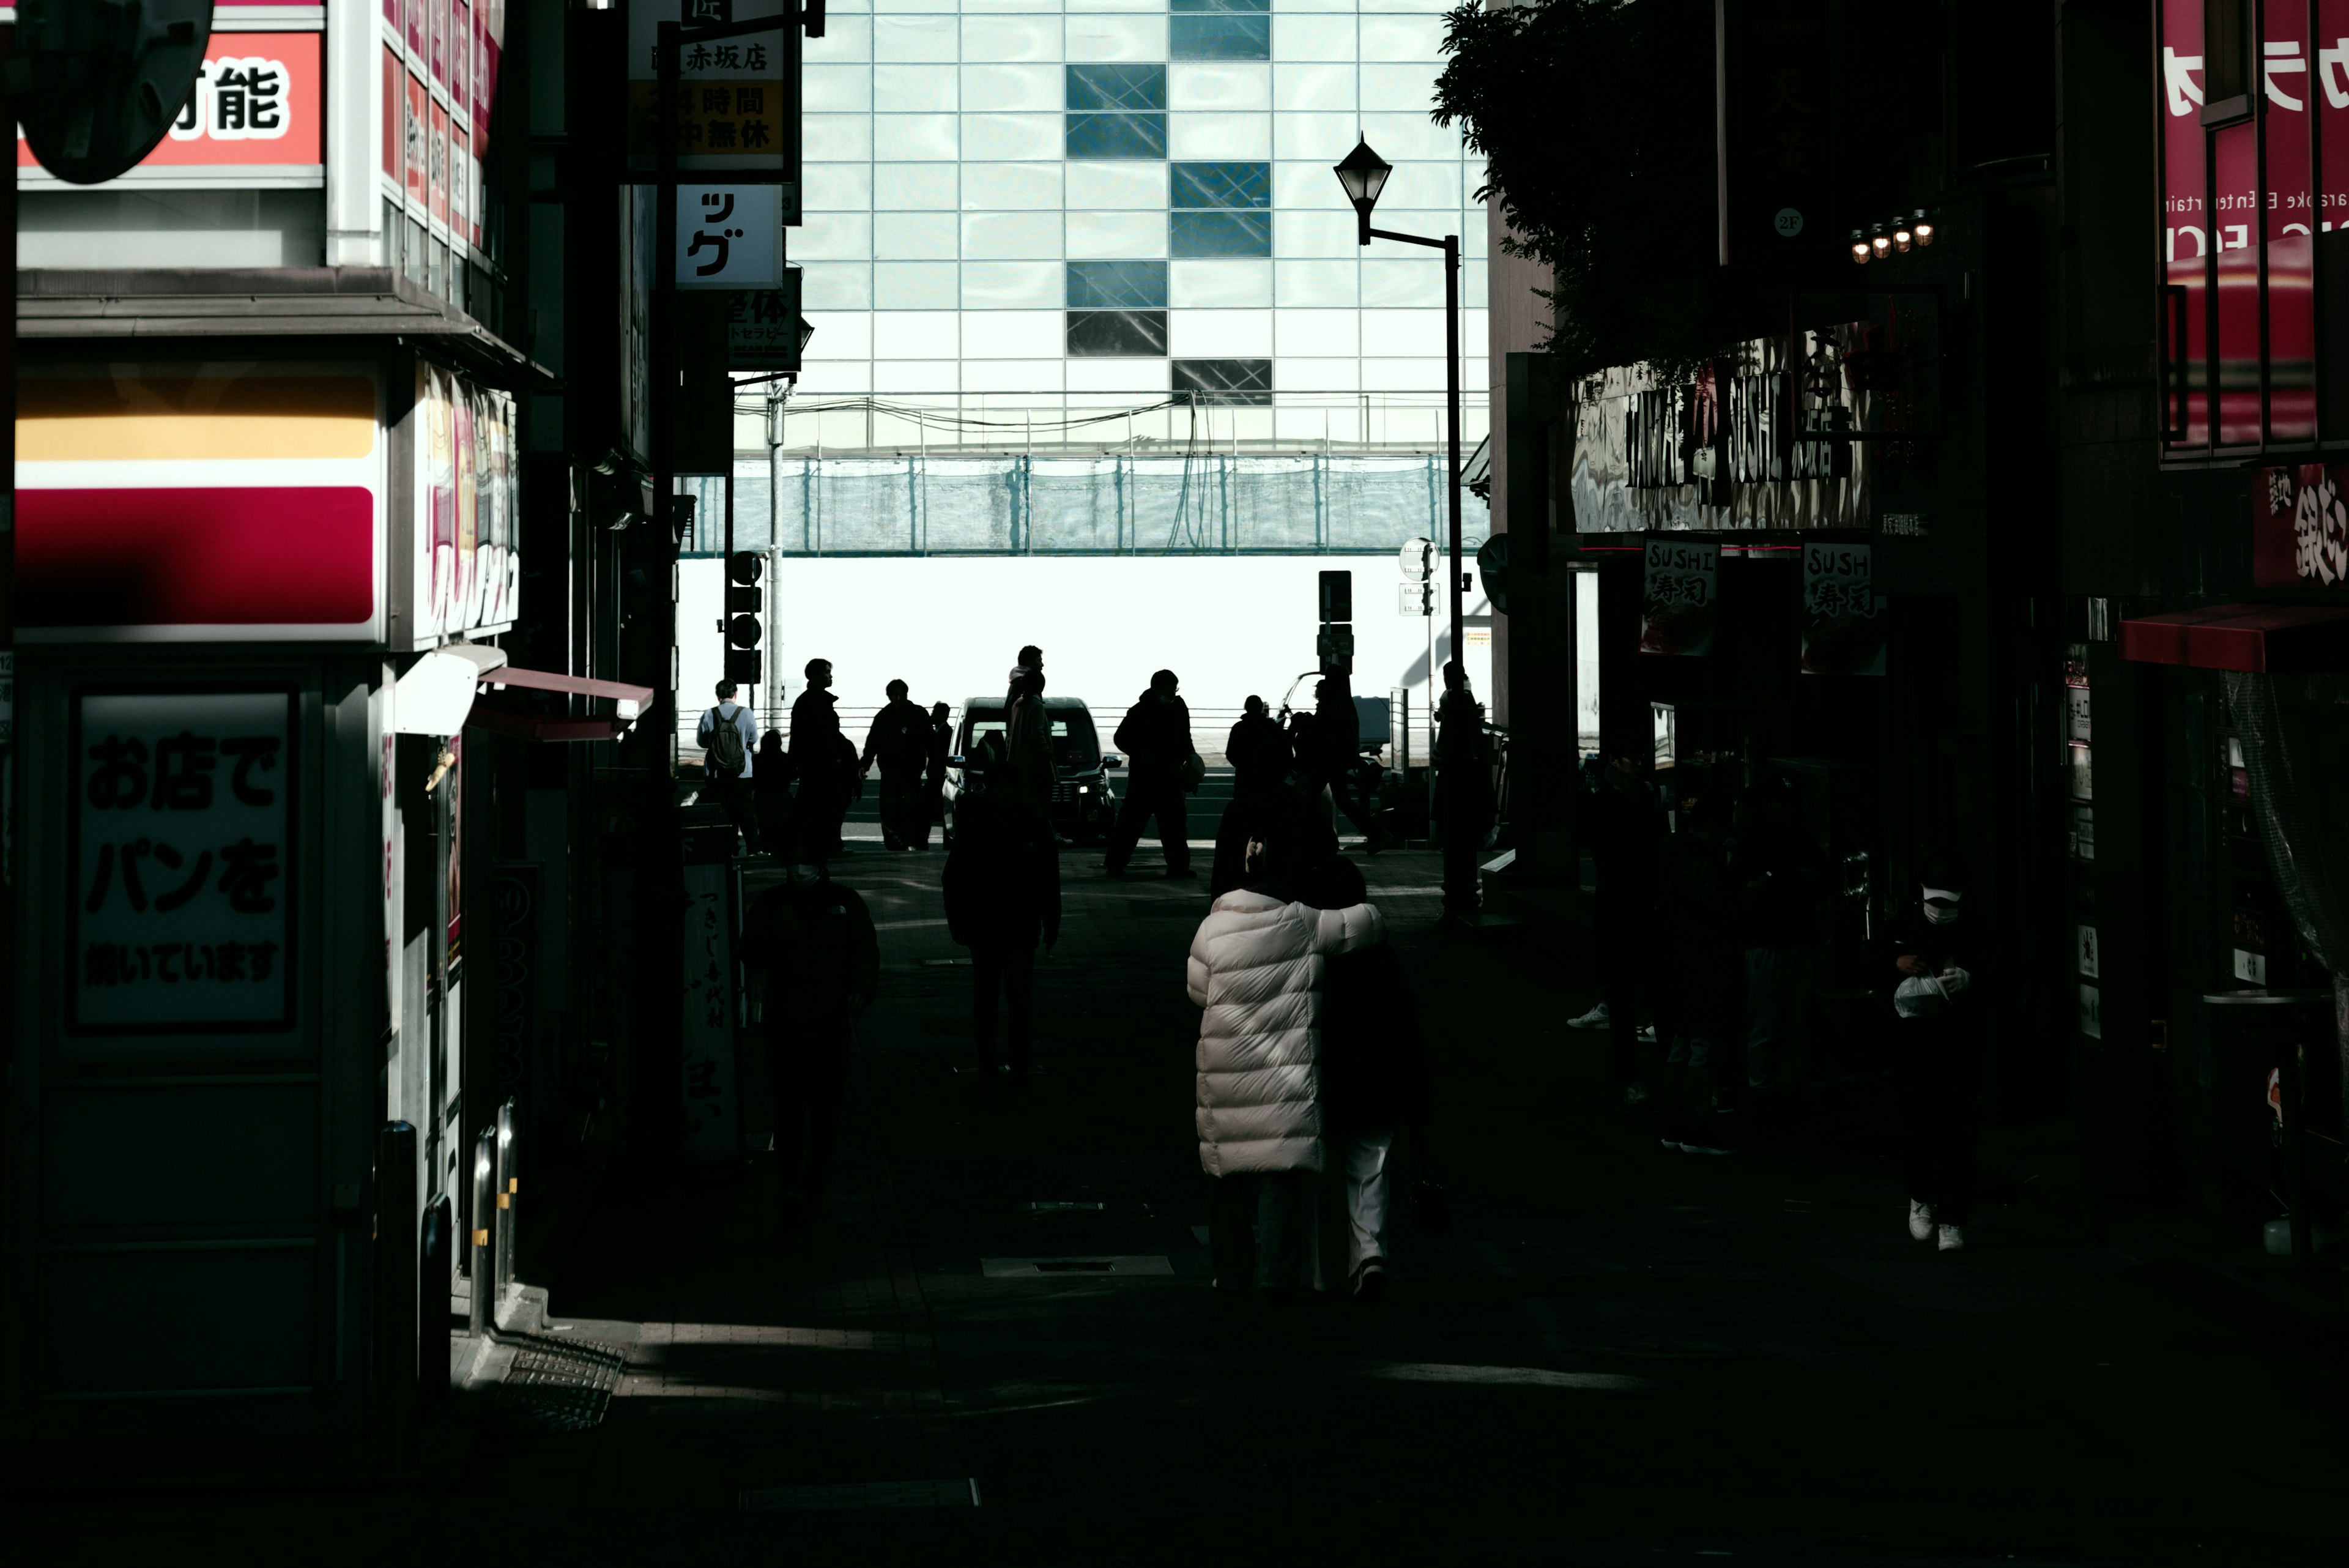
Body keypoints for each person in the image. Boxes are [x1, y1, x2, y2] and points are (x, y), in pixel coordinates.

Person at [1189, 831, 1384, 1299]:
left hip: (1225, 1076)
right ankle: (1277, 1279)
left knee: (1228, 1177)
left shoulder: (1211, 928)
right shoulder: (1303, 922)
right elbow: (1372, 923)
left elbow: (1197, 991)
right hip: (1284, 1078)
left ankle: (1232, 1275)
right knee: (1280, 1177)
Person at [1312, 855, 1430, 1302]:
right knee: (1370, 1167)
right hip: (1379, 1079)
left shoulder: (1313, 955)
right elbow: (1406, 1025)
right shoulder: (1382, 951)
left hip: (1328, 1080)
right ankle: (1370, 1253)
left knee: (1323, 1171)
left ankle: (1325, 1271)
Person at [739, 860, 880, 1227]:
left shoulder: (844, 902)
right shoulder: (774, 903)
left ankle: (811, 1182)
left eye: (805, 861)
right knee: (791, 1104)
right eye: (793, 861)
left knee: (822, 1107)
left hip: (827, 1019)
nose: (798, 869)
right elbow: (751, 951)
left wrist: (863, 989)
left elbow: (865, 949)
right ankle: (792, 1183)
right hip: (786, 1019)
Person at [942, 793, 1061, 1082]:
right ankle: (1018, 1059)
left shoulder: (975, 827)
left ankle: (988, 1059)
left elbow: (953, 878)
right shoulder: (1035, 826)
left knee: (986, 994)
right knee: (1019, 995)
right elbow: (1049, 878)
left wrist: (958, 923)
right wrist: (1052, 921)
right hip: (1020, 924)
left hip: (984, 925)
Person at [1887, 871, 1976, 1252]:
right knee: (1919, 1123)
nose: (1941, 911)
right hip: (1916, 1045)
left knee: (1954, 1128)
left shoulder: (1974, 929)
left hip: (1955, 1043)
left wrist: (1970, 980)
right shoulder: (1903, 925)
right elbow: (1870, 955)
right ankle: (1923, 1198)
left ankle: (1951, 1217)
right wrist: (1896, 962)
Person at [1573, 754, 1666, 1109]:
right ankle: (1635, 1075)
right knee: (1637, 993)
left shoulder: (1637, 796)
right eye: (1631, 758)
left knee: (1641, 992)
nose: (1638, 764)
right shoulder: (1618, 801)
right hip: (1629, 903)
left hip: (1629, 903)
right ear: (1616, 761)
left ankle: (1639, 1077)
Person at [1653, 791, 1742, 1156]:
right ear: (1713, 827)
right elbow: (1718, 908)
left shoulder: (1672, 852)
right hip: (1704, 962)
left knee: (1683, 1045)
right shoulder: (1704, 861)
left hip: (1674, 961)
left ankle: (1675, 1124)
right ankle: (1697, 1126)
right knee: (1704, 1047)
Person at [1733, 787, 1825, 1096]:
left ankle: (1766, 1084)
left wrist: (1772, 881)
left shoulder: (1755, 842)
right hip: (1788, 938)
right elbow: (1817, 879)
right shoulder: (1800, 840)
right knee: (1785, 1019)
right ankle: (1777, 1083)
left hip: (1771, 939)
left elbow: (1749, 888)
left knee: (1769, 1019)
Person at [1108, 669, 1198, 877]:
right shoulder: (1141, 710)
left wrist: (1191, 761)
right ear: (1157, 689)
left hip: (1161, 776)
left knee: (1164, 824)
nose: (1173, 694)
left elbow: (1186, 738)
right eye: (1170, 689)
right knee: (1141, 823)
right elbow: (1120, 738)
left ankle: (1176, 866)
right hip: (1147, 777)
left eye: (1175, 689)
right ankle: (1118, 864)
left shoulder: (1172, 708)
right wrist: (1140, 754)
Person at [1431, 663, 1494, 921]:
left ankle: (1460, 896)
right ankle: (1465, 893)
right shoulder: (1464, 702)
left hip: (1455, 774)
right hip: (1465, 774)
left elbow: (1448, 735)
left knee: (1455, 834)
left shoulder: (1455, 700)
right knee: (1462, 836)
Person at [1211, 695, 1293, 896]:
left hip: (1245, 784)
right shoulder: (1272, 728)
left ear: (1247, 708)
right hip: (1270, 787)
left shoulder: (1239, 728)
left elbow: (1232, 754)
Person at [789, 658, 852, 863]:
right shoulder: (812, 702)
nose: (830, 675)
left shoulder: (813, 700)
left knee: (818, 806)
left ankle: (823, 844)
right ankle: (826, 845)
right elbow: (818, 736)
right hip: (819, 766)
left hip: (817, 764)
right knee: (828, 805)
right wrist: (834, 758)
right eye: (826, 672)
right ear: (814, 675)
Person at [861, 678, 933, 851]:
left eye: (901, 695)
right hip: (893, 771)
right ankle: (897, 842)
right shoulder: (886, 716)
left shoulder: (916, 714)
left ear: (907, 694)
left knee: (910, 808)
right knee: (892, 809)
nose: (898, 699)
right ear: (889, 696)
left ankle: (910, 841)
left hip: (909, 771)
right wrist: (865, 764)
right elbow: (872, 744)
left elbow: (931, 742)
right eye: (895, 696)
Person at [697, 679, 762, 854]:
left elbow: (702, 742)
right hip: (742, 771)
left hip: (716, 772)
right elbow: (753, 739)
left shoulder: (709, 714)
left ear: (718, 696)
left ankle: (729, 847)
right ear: (735, 694)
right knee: (746, 811)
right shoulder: (747, 713)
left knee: (723, 811)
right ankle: (753, 848)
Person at [752, 729, 793, 860]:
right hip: (781, 796)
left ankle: (766, 848)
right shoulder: (785, 758)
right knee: (781, 825)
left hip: (762, 796)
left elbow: (752, 780)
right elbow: (794, 775)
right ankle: (781, 848)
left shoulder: (757, 760)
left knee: (765, 826)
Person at [922, 701, 954, 849]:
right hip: (938, 777)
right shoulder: (943, 732)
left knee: (926, 811)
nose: (932, 715)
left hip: (937, 778)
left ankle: (922, 842)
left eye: (935, 713)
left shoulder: (944, 733)